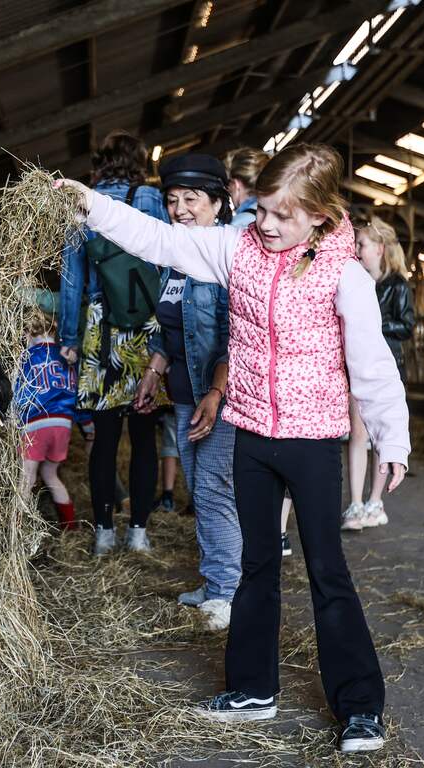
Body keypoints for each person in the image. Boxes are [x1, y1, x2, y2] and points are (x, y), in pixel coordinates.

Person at [56, 143, 410, 754]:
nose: (266, 225)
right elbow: (160, 241)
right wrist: (90, 205)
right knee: (256, 566)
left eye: (283, 216)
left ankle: (359, 708)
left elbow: (372, 364)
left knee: (328, 571)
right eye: (263, 210)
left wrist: (391, 438)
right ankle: (252, 689)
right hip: (252, 436)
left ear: (321, 217)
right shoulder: (236, 249)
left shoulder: (344, 275)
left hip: (312, 441)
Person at [133, 153, 241, 631]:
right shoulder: (175, 261)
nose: (180, 209)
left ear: (219, 204)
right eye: (173, 200)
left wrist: (215, 395)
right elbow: (168, 329)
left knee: (215, 490)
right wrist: (154, 369)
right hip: (183, 393)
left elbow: (236, 339)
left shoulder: (224, 262)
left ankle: (227, 591)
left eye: (191, 200)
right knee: (199, 487)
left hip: (217, 397)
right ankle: (216, 580)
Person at [58, 130, 171, 555]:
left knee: (104, 441)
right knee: (144, 439)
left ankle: (103, 531)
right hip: (145, 330)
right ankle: (138, 531)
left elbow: (72, 279)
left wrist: (68, 338)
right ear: (139, 162)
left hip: (101, 331)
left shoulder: (81, 201)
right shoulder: (152, 198)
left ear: (101, 162)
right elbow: (167, 260)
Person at [342, 217, 416, 532]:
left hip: (386, 365)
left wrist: (370, 325)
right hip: (357, 364)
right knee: (357, 434)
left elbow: (407, 325)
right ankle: (356, 503)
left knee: (379, 434)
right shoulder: (354, 281)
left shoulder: (397, 285)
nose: (356, 250)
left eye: (362, 245)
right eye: (356, 244)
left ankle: (375, 501)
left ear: (380, 249)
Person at [16, 308, 78, 531]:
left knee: (27, 477)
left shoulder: (28, 357)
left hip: (36, 423)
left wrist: (15, 420)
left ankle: (16, 530)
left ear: (29, 333)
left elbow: (19, 392)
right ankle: (70, 527)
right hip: (63, 424)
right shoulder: (66, 355)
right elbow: (75, 389)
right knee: (50, 474)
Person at [225, 146, 269, 227]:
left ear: (236, 184)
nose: (228, 190)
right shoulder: (272, 213)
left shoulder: (237, 225)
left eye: (228, 185)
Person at [157, 409, 179, 512]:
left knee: (170, 446)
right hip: (202, 402)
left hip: (177, 403)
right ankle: (195, 500)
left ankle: (167, 496)